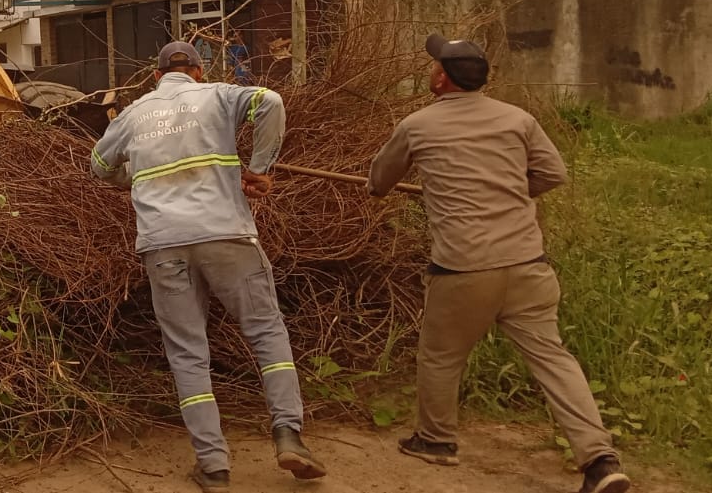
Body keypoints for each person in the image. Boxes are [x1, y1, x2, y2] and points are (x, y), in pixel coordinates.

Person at [367, 35, 631, 493]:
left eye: (434, 66)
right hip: (528, 263)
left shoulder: (418, 125)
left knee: (441, 355)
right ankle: (600, 461)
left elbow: (378, 182)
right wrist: (505, 193)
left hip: (463, 268)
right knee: (553, 358)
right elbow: (553, 173)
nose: (431, 70)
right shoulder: (518, 120)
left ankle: (435, 440)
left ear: (442, 78)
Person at [90, 42, 326, 491]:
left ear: (157, 77)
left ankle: (214, 465)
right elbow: (270, 101)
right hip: (227, 234)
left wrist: (138, 174)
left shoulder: (134, 114)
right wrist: (260, 168)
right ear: (198, 71)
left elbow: (99, 165)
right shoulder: (218, 94)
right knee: (265, 331)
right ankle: (288, 435)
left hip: (163, 245)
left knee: (187, 353)